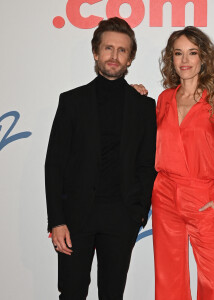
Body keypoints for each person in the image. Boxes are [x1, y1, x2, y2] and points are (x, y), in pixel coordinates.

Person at [45, 17, 156, 300]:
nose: (114, 56)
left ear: (130, 58)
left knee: (112, 295)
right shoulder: (71, 101)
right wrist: (56, 220)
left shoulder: (143, 106)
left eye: (122, 50)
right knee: (71, 293)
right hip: (75, 218)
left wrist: (138, 212)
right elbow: (54, 164)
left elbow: (146, 163)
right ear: (96, 52)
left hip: (121, 217)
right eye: (108, 48)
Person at [151, 26, 214, 300]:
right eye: (178, 53)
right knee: (169, 281)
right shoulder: (164, 99)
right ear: (171, 59)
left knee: (212, 284)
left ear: (204, 58)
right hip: (165, 195)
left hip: (202, 197)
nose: (185, 60)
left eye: (192, 53)